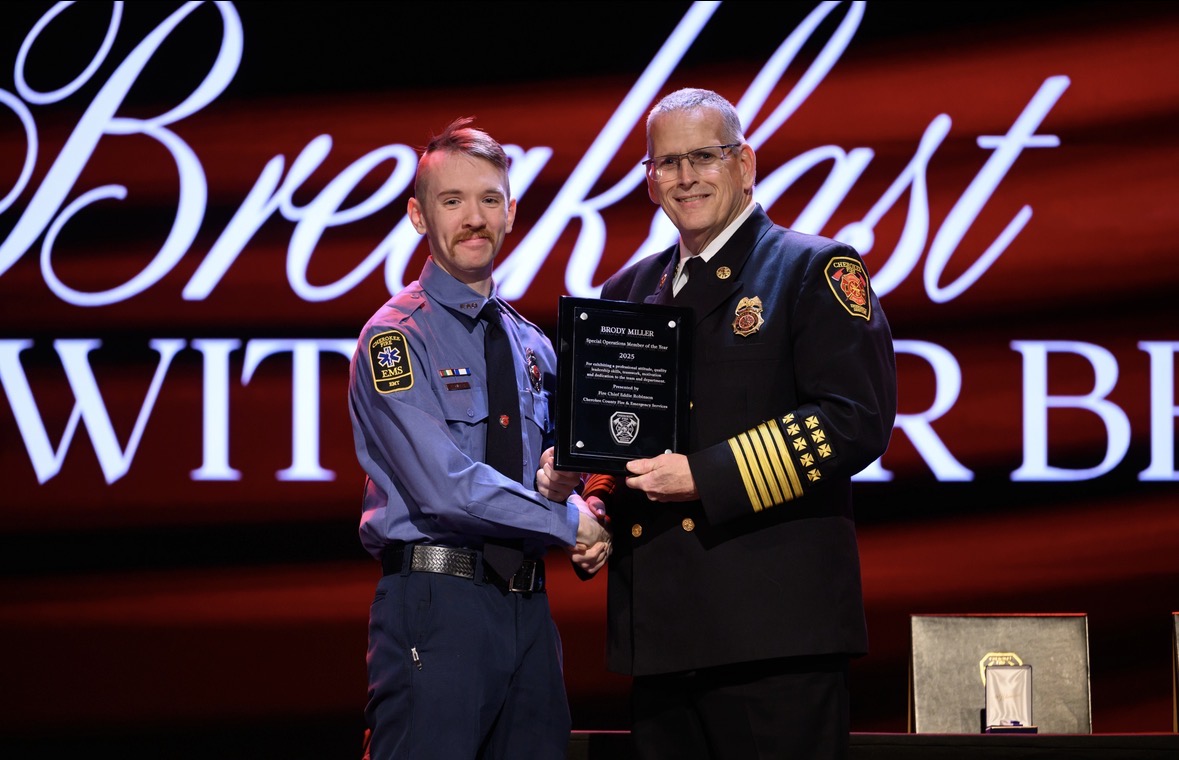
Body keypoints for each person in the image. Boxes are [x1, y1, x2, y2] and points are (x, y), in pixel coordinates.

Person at [580, 88, 898, 759]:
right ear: (648, 179)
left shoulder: (812, 268)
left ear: (745, 162)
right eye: (667, 163)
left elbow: (853, 420)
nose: (686, 177)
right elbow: (619, 436)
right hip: (661, 631)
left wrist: (705, 475)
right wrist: (597, 507)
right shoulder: (627, 292)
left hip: (773, 635)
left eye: (704, 156)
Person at [347, 116, 611, 760]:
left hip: (526, 609)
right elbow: (446, 490)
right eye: (452, 200)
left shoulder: (534, 346)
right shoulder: (395, 340)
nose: (474, 218)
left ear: (512, 213)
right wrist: (565, 522)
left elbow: (559, 468)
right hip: (436, 607)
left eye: (489, 199)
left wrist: (580, 495)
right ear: (417, 215)